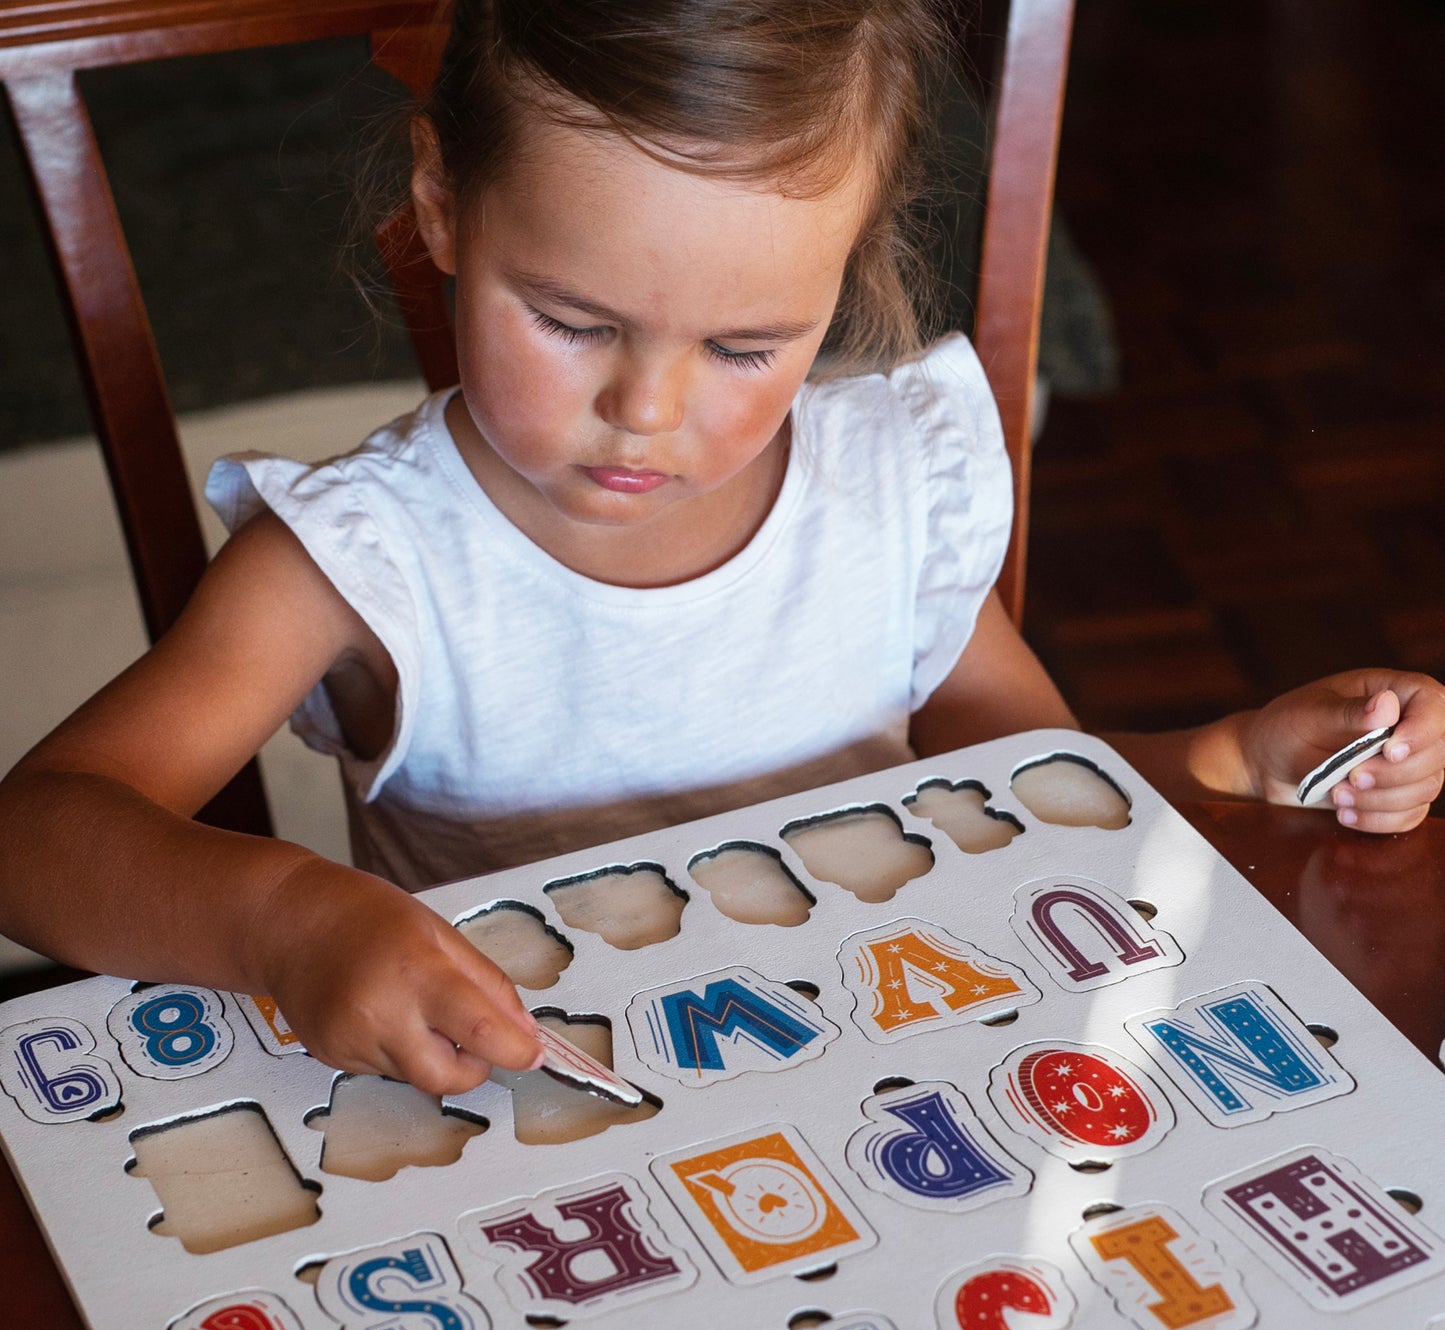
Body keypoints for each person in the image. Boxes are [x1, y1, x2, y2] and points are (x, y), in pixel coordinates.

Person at [0, 0, 1440, 1099]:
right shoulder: (363, 556)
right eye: (570, 320)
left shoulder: (889, 491)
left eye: (749, 344)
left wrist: (1239, 755)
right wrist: (283, 922)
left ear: (849, 266)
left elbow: (1036, 791)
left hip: (900, 1084)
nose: (648, 410)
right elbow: (41, 834)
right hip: (533, 1123)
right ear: (441, 207)